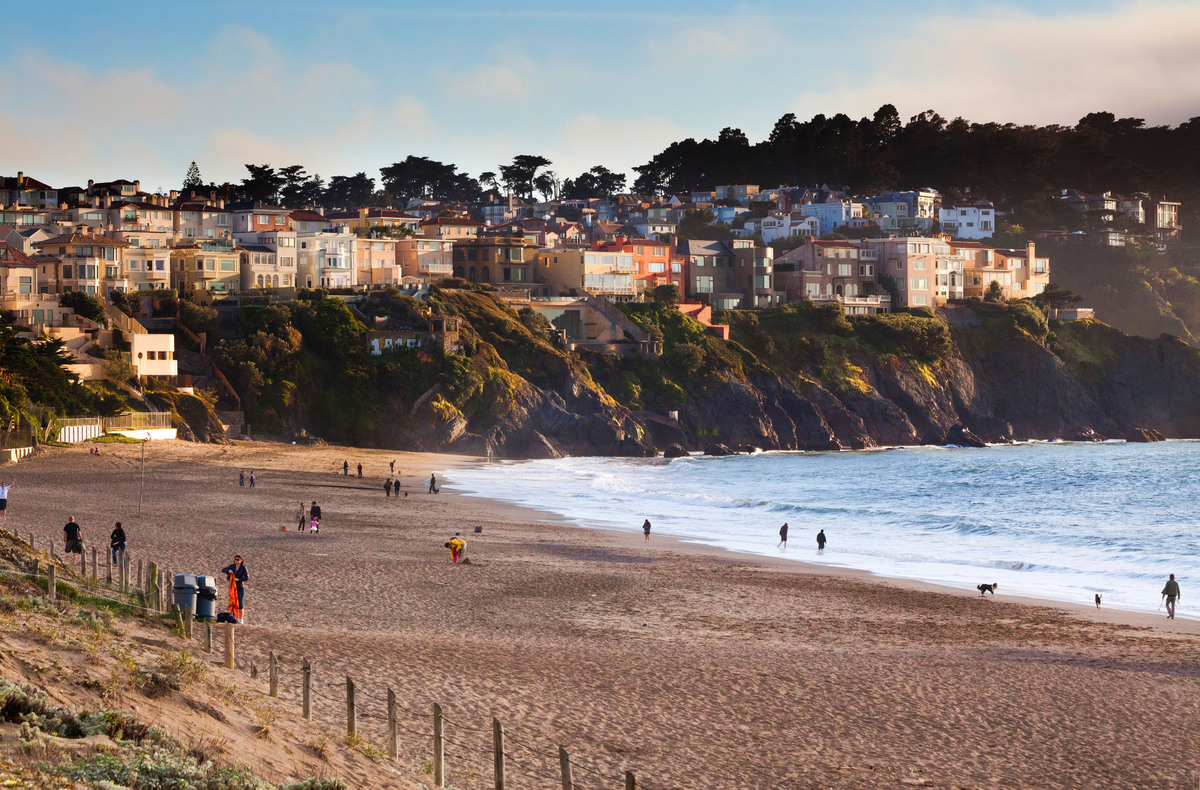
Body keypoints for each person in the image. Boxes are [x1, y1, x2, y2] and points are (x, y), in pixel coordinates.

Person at [221, 555, 248, 623]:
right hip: (232, 587)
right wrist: (228, 570)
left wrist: (239, 579)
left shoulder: (243, 568)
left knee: (240, 603)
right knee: (232, 602)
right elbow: (223, 570)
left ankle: (241, 619)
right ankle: (232, 618)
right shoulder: (232, 566)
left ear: (241, 560)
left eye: (238, 559)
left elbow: (246, 577)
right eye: (235, 559)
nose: (236, 561)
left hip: (239, 587)